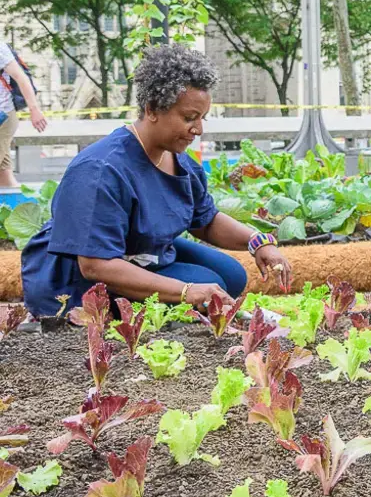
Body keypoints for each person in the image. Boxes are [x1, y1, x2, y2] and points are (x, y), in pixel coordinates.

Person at [20, 44, 293, 319]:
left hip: (141, 252)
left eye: (202, 118)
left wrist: (258, 241)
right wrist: (187, 291)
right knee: (210, 284)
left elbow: (206, 219)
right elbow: (94, 265)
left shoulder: (179, 160)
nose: (198, 130)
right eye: (189, 118)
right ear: (152, 109)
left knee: (231, 275)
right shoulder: (100, 170)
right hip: (80, 279)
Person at [0, 41, 48, 189]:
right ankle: (23, 206)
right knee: (5, 176)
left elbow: (21, 77)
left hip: (3, 116)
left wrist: (34, 110)